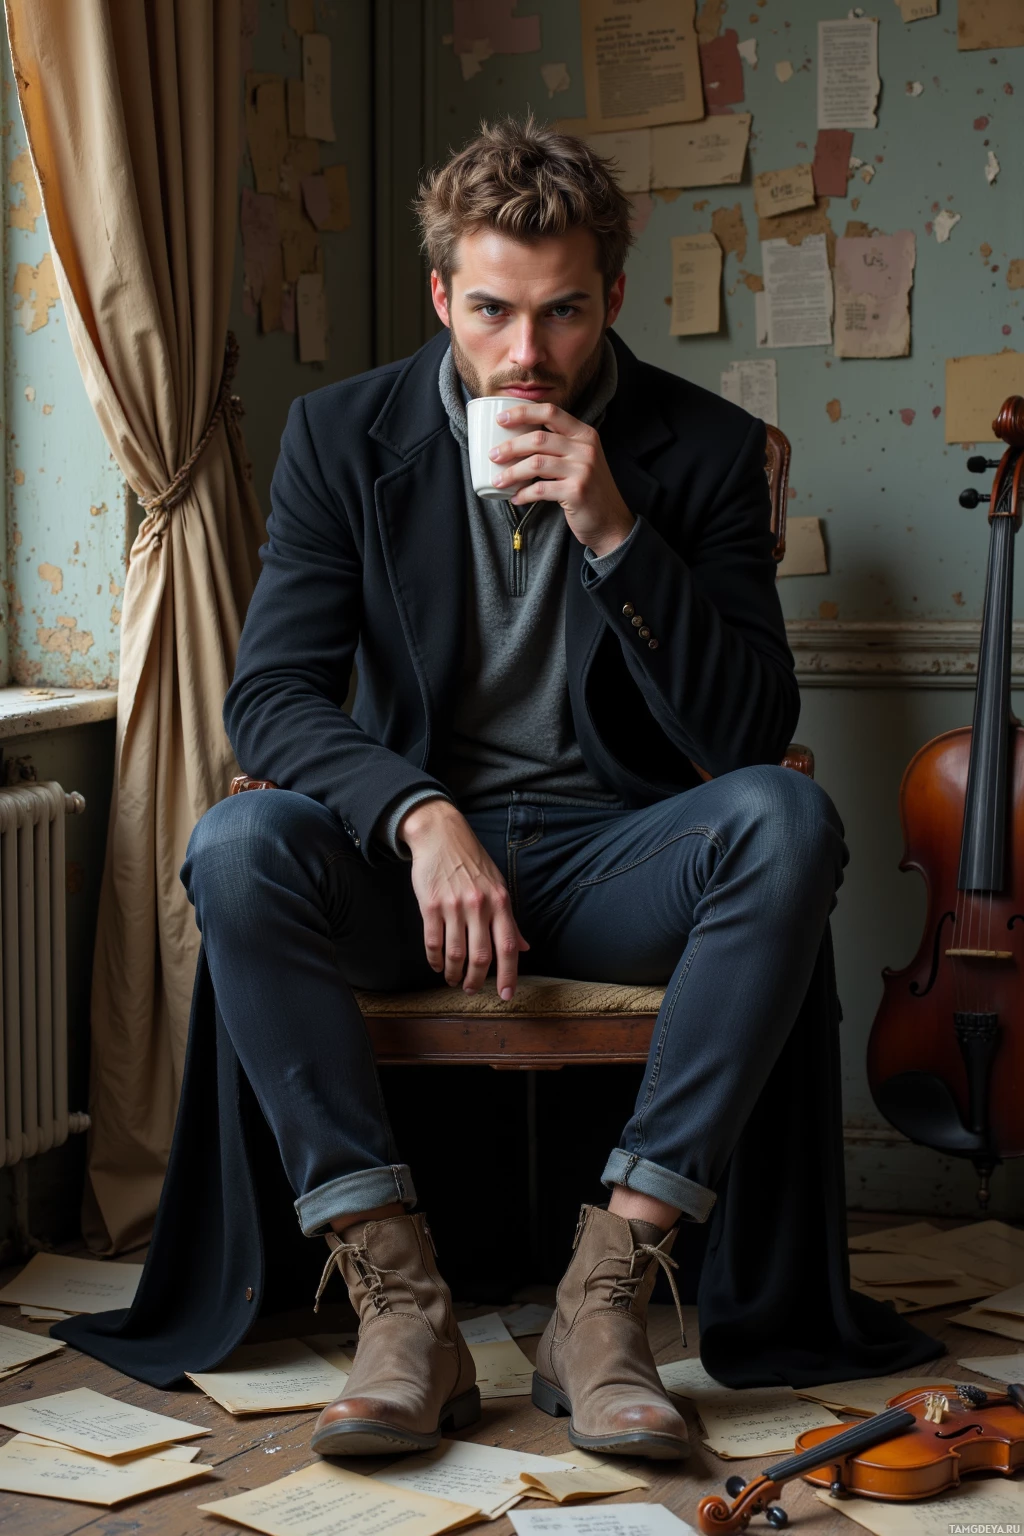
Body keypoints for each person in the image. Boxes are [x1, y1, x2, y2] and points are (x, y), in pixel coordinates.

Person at [54, 114, 941, 1456]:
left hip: (615, 860)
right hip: (416, 871)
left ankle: (609, 1293)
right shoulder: (340, 438)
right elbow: (272, 697)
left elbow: (753, 727)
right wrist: (419, 813)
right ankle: (399, 1301)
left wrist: (616, 535)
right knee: (238, 846)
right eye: (493, 312)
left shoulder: (698, 451)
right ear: (440, 298)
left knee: (787, 819)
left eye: (565, 314)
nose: (528, 357)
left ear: (613, 300)